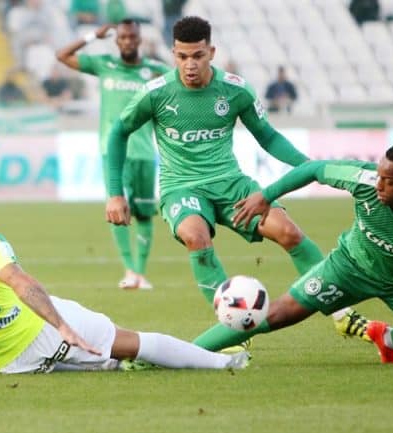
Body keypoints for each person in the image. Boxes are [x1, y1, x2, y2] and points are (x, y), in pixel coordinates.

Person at [0, 186, 250, 380]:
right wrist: (60, 325)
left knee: (98, 359)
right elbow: (22, 284)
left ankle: (103, 362)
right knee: (131, 340)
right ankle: (223, 362)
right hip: (36, 336)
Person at [105, 16, 325, 351]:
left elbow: (268, 136)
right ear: (173, 54)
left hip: (231, 183)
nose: (189, 65)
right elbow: (118, 133)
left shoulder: (235, 90)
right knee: (196, 236)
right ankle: (232, 330)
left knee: (289, 232)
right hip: (181, 187)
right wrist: (115, 194)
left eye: (197, 56)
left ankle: (343, 313)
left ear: (211, 52)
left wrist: (310, 167)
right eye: (182, 57)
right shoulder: (157, 93)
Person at [229, 141, 393, 367]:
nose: (379, 185)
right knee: (279, 313)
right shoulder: (364, 178)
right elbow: (313, 169)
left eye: (390, 181)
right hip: (351, 267)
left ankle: (388, 337)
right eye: (379, 176)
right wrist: (265, 196)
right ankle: (205, 353)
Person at [57, 19, 170, 289]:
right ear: (117, 40)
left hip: (144, 152)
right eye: (123, 37)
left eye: (132, 37)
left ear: (139, 39)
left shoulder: (154, 71)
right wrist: (91, 36)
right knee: (117, 207)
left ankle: (140, 274)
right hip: (113, 153)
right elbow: (62, 56)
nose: (128, 41)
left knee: (144, 214)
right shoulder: (104, 64)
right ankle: (129, 270)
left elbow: (181, 85)